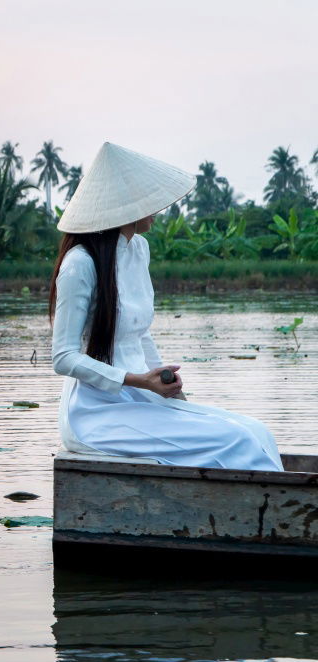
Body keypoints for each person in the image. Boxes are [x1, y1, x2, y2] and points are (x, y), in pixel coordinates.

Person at [49, 142, 282, 471]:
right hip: (97, 414)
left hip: (143, 400)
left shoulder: (138, 249)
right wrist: (138, 380)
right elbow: (63, 357)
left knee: (258, 433)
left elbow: (139, 335)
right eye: (148, 200)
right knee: (238, 441)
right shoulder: (80, 264)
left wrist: (169, 390)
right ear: (125, 206)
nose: (156, 207)